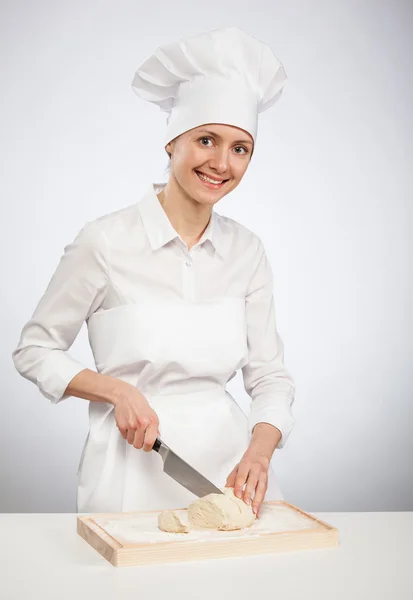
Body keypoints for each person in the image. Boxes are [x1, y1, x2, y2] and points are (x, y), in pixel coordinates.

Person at [12, 26, 295, 516]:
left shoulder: (247, 252)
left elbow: (271, 378)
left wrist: (259, 453)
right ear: (171, 143)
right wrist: (115, 390)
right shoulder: (104, 242)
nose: (221, 163)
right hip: (130, 471)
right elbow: (34, 350)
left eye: (240, 148)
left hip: (230, 477)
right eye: (207, 140)